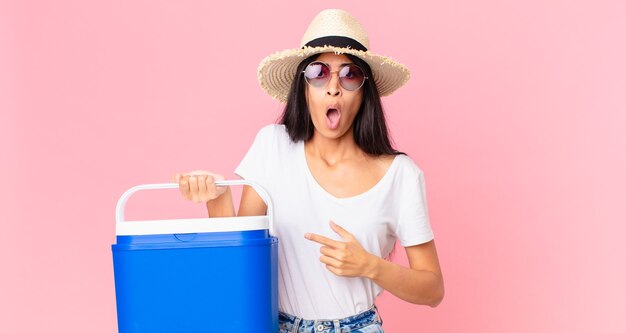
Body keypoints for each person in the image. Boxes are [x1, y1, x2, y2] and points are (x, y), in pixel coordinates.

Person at [174, 9, 444, 333]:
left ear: (364, 92)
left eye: (350, 74)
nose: (333, 88)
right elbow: (241, 267)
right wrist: (216, 198)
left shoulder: (400, 175)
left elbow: (432, 289)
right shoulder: (272, 147)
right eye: (318, 72)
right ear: (303, 87)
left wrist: (370, 266)